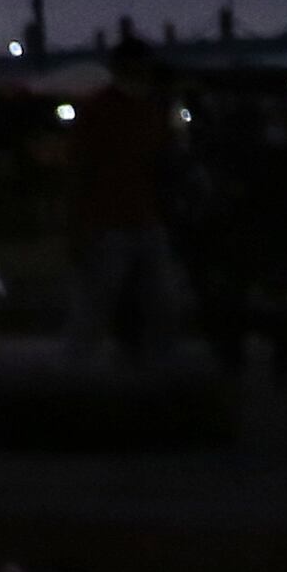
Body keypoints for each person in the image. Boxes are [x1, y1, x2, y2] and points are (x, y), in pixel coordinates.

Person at [62, 38, 188, 367]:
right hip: (123, 219)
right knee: (141, 299)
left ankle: (83, 367)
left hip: (126, 218)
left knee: (112, 301)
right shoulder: (143, 110)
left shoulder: (113, 109)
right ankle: (144, 364)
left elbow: (80, 168)